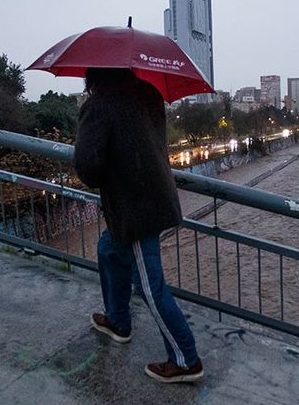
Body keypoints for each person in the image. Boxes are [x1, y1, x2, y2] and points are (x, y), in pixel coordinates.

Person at [73, 67, 203, 383]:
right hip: (155, 196)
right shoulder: (148, 94)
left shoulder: (99, 105)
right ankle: (118, 321)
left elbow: (88, 169)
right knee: (108, 248)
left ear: (93, 75)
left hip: (135, 210)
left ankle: (186, 360)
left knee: (149, 286)